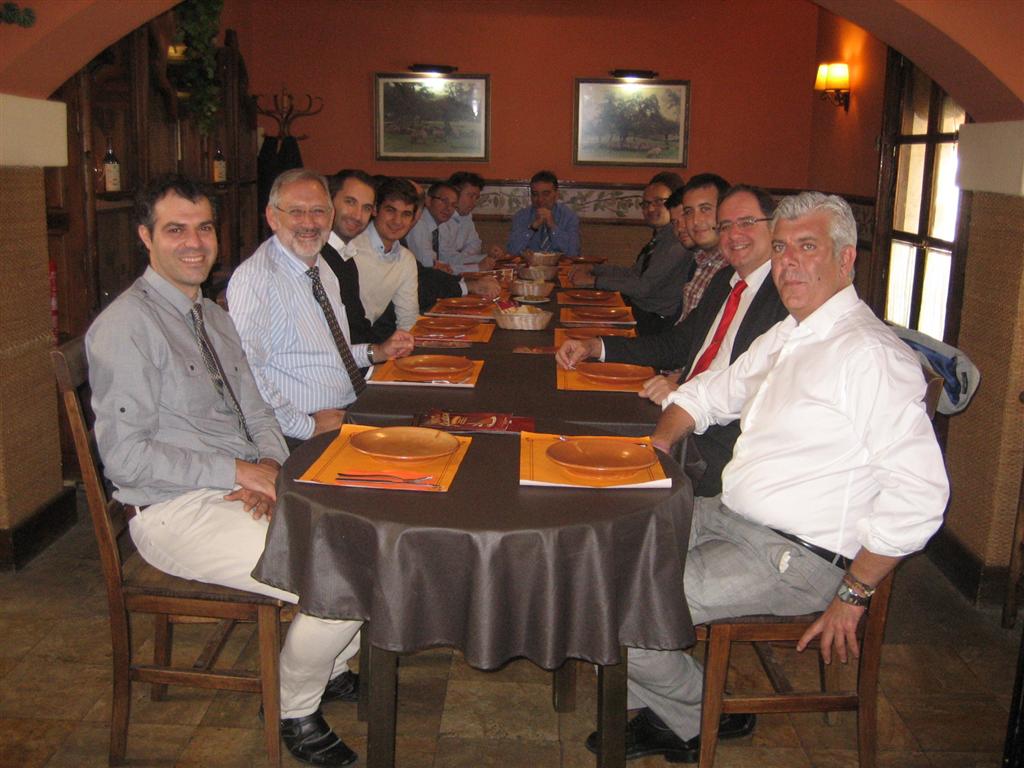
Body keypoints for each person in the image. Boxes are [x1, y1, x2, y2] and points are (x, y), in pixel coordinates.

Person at [588, 191, 949, 763]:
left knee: (623, 606)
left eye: (808, 247)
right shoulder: (789, 333)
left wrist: (854, 594)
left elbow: (921, 496)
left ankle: (700, 715)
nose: (788, 263)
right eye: (780, 248)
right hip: (728, 517)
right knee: (597, 552)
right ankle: (659, 696)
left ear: (846, 258)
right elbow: (708, 393)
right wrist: (657, 445)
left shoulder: (870, 356)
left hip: (796, 556)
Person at [87, 174, 365, 767]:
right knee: (341, 572)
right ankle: (291, 706)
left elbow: (258, 410)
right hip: (171, 509)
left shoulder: (212, 317)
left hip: (239, 487)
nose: (194, 243)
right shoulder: (126, 326)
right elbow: (125, 457)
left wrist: (268, 467)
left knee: (368, 529)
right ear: (146, 237)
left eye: (204, 228)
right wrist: (236, 472)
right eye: (175, 229)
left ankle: (329, 665)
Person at [557, 185, 788, 497]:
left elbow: (761, 388)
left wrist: (684, 390)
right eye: (725, 226)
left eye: (746, 222)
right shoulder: (726, 281)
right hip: (683, 413)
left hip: (721, 445)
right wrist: (596, 346)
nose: (734, 234)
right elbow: (677, 343)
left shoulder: (786, 294)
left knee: (594, 469)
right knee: (574, 427)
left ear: (773, 226)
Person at [227, 169, 414, 444]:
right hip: (300, 433)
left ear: (330, 216)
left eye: (318, 211)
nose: (309, 222)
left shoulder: (321, 266)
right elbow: (244, 372)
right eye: (296, 212)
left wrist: (378, 351)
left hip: (346, 409)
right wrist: (307, 427)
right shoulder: (256, 278)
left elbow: (330, 351)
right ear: (272, 217)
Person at [569, 181, 692, 335]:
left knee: (577, 326)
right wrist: (594, 269)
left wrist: (593, 281)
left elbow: (642, 288)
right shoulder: (661, 238)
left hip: (654, 323)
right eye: (646, 204)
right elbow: (633, 273)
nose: (650, 209)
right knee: (575, 315)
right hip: (640, 311)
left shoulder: (677, 244)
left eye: (658, 202)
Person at [349, 176, 422, 331]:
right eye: (390, 210)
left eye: (406, 214)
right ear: (375, 209)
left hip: (365, 339)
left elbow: (408, 319)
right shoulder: (351, 247)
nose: (397, 221)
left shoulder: (406, 260)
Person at [323, 168, 377, 344]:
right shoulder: (315, 257)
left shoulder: (345, 256)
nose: (358, 216)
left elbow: (356, 324)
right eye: (350, 202)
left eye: (366, 208)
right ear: (329, 201)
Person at [677, 173, 730, 321]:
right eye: (689, 212)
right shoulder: (700, 259)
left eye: (705, 209)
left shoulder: (735, 267)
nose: (695, 220)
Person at [505, 170, 580, 256]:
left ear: (556, 195)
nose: (540, 199)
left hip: (560, 264)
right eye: (535, 194)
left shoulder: (569, 217)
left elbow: (573, 253)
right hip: (529, 264)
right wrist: (533, 227)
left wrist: (553, 227)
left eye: (545, 194)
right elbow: (511, 251)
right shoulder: (521, 216)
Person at [442, 170, 493, 272]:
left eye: (476, 197)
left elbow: (475, 243)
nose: (474, 203)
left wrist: (463, 257)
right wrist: (478, 261)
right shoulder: (441, 217)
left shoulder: (466, 216)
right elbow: (445, 258)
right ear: (454, 193)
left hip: (458, 269)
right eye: (470, 196)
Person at [405, 180, 459, 270]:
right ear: (428, 200)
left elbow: (448, 257)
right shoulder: (418, 224)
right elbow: (428, 263)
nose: (449, 208)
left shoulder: (442, 226)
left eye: (453, 205)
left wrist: (477, 265)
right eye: (444, 201)